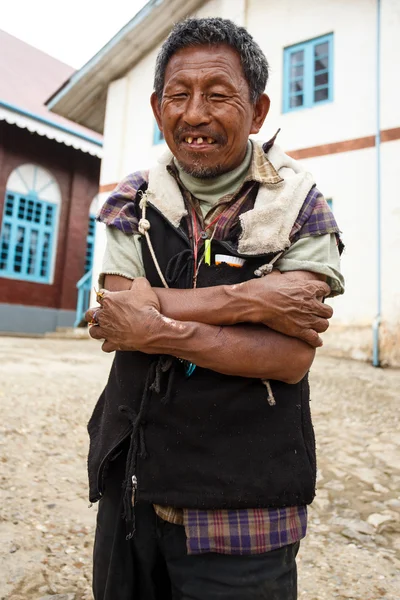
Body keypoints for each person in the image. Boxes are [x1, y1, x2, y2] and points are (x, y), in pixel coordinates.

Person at [85, 17, 344, 600]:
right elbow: (120, 320)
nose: (194, 114)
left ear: (257, 111)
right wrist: (252, 298)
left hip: (248, 505)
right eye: (178, 95)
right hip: (135, 487)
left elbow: (288, 358)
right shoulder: (133, 200)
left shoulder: (302, 205)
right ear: (158, 108)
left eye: (218, 95)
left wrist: (159, 320)